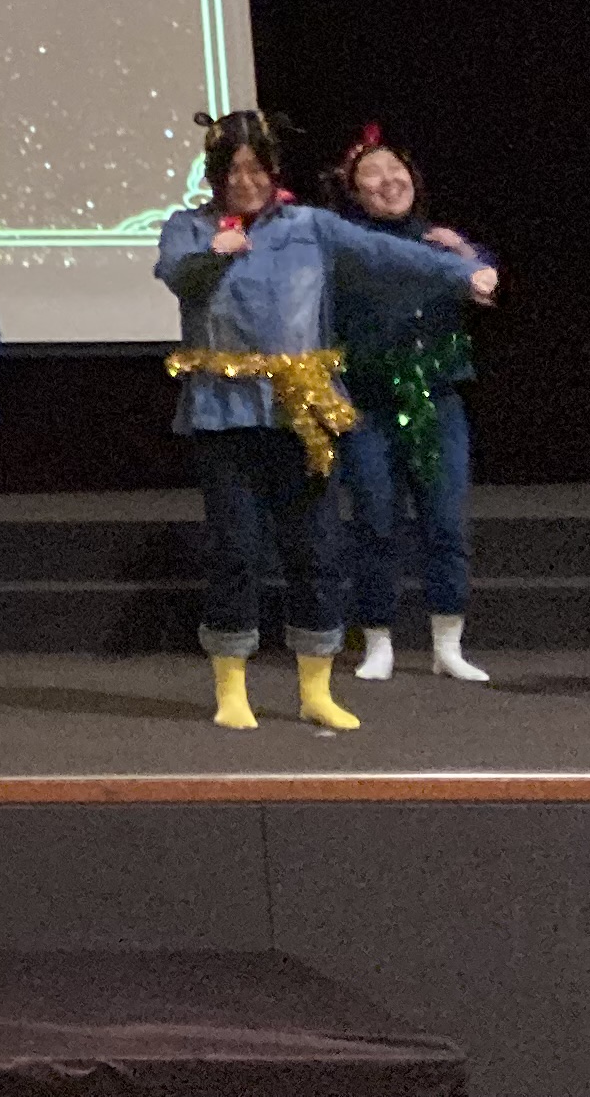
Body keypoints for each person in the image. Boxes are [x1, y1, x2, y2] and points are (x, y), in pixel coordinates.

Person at [156, 110, 495, 734]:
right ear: (215, 176)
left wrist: (462, 270)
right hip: (225, 413)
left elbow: (387, 253)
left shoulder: (309, 226)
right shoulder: (189, 227)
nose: (246, 182)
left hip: (304, 412)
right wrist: (213, 254)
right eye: (233, 172)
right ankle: (232, 689)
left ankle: (316, 689)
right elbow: (177, 275)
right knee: (236, 551)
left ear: (274, 171)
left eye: (257, 170)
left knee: (315, 550)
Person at [320, 125, 495, 685]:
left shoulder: (441, 241)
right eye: (371, 174)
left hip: (436, 401)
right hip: (369, 403)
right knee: (375, 522)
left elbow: (485, 285)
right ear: (353, 191)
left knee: (445, 523)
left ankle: (448, 645)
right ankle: (378, 642)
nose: (388, 181)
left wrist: (463, 254)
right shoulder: (344, 247)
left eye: (395, 170)